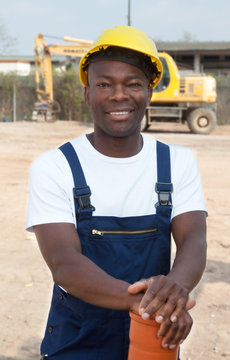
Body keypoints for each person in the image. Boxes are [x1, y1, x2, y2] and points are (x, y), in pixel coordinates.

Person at [26, 26, 207, 360]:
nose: (118, 95)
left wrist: (175, 290)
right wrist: (149, 303)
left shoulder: (176, 162)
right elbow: (64, 262)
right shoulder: (55, 166)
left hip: (153, 339)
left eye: (133, 83)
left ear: (149, 92)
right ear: (87, 93)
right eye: (104, 84)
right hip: (76, 343)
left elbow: (194, 239)